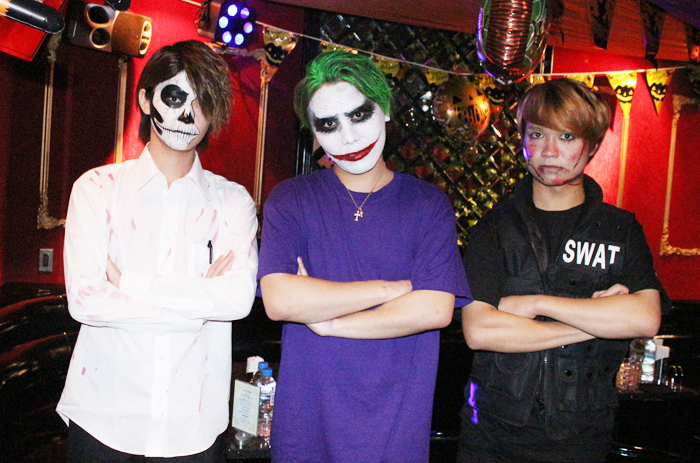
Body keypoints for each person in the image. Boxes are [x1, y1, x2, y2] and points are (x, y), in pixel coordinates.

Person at [257, 50, 471, 462]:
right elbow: (281, 301)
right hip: (308, 429)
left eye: (359, 115)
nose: (349, 137)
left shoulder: (427, 204)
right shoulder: (291, 199)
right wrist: (393, 289)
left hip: (395, 431)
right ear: (314, 134)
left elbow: (434, 309)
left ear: (384, 108)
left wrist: (329, 323)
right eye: (329, 124)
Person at [57, 40, 258, 462]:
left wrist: (129, 282)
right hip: (103, 418)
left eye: (203, 103)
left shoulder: (232, 203)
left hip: (193, 428)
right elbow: (86, 300)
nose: (188, 116)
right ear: (146, 100)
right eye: (176, 97)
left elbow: (237, 300)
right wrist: (196, 308)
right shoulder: (96, 190)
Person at [457, 77, 666, 463]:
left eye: (567, 137)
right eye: (537, 134)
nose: (549, 151)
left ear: (592, 145)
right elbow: (480, 331)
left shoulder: (619, 229)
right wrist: (595, 321)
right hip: (491, 434)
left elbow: (645, 318)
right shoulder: (495, 227)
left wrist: (536, 303)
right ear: (523, 141)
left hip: (581, 435)